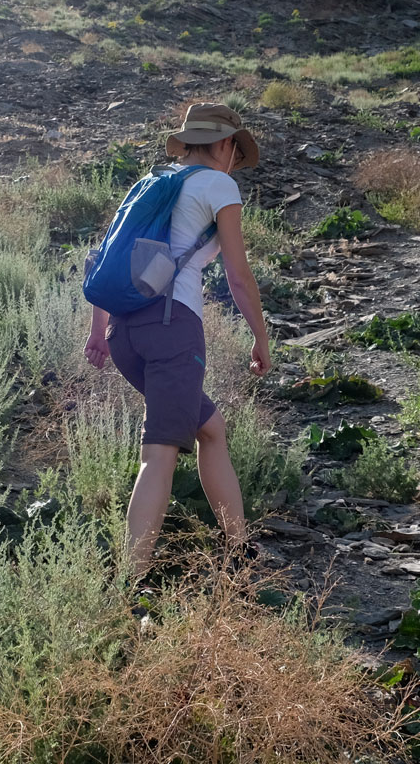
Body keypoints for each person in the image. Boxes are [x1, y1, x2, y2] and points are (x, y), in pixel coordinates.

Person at [84, 103, 273, 572]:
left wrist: (98, 332)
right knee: (160, 454)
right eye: (234, 150)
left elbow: (107, 257)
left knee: (211, 429)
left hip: (125, 329)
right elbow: (238, 275)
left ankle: (238, 549)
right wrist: (260, 338)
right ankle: (129, 580)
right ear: (226, 145)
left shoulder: (149, 183)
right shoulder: (218, 185)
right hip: (172, 328)